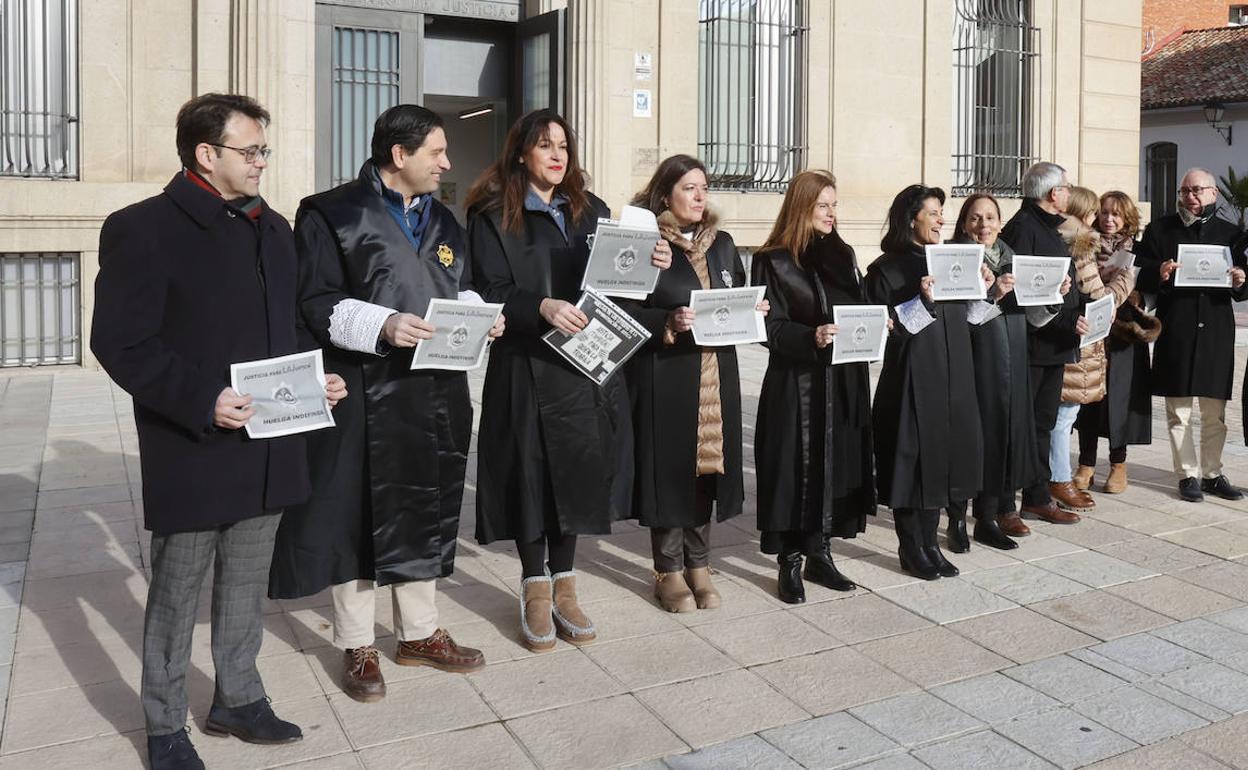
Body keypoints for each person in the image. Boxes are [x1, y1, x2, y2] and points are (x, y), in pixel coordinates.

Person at [91, 93, 347, 770]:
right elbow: (122, 343)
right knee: (177, 590)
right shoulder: (141, 229)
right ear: (206, 155)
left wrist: (312, 380)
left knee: (245, 580)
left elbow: (289, 327)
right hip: (196, 444)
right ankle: (164, 725)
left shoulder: (274, 229)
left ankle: (238, 697)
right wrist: (203, 400)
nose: (262, 160)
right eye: (251, 150)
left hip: (270, 440)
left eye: (264, 149)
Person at [268, 105, 503, 703]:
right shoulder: (331, 214)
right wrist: (382, 324)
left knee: (425, 502)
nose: (448, 163)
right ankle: (356, 642)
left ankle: (419, 633)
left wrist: (481, 318)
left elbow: (460, 285)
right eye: (437, 153)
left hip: (436, 390)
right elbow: (314, 302)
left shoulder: (445, 220)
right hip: (364, 391)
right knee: (356, 513)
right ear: (400, 155)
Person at [465, 110, 671, 649]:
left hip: (584, 367)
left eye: (563, 145)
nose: (557, 155)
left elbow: (620, 286)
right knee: (531, 475)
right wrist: (542, 307)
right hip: (526, 365)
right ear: (520, 154)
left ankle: (566, 585)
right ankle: (535, 588)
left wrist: (655, 261)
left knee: (578, 471)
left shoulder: (592, 211)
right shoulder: (492, 216)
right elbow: (485, 288)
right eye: (544, 145)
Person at [622, 154, 763, 611]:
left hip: (715, 374)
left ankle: (699, 563)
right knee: (670, 470)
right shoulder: (645, 244)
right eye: (689, 188)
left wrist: (754, 311)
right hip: (667, 373)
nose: (700, 196)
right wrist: (667, 319)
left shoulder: (721, 243)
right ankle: (667, 568)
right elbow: (622, 311)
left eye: (704, 188)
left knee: (708, 465)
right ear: (666, 195)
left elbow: (733, 294)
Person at [751, 170, 874, 601]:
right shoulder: (774, 258)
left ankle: (821, 552)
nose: (831, 213)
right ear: (802, 206)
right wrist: (811, 337)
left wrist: (874, 328)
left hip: (842, 380)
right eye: (823, 205)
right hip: (796, 383)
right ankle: (789, 561)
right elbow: (769, 326)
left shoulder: (844, 254)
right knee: (791, 469)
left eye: (835, 205)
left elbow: (857, 309)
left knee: (835, 466)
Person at [865, 184, 992, 580]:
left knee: (943, 460)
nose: (941, 220)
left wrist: (989, 291)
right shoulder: (886, 269)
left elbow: (971, 319)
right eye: (933, 212)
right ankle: (910, 546)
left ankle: (931, 543)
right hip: (911, 380)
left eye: (942, 212)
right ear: (911, 217)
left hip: (954, 375)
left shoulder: (949, 259)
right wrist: (922, 301)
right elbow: (883, 330)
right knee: (912, 463)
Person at [945, 193, 1066, 551]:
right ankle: (965, 518)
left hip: (1013, 353)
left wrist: (1052, 298)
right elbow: (959, 320)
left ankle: (992, 513)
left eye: (991, 218)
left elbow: (1034, 318)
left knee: (1005, 433)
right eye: (975, 218)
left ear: (1000, 222)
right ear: (964, 223)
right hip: (976, 357)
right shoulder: (955, 259)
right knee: (978, 438)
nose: (984, 225)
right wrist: (993, 295)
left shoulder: (1013, 259)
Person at [1136, 168, 1248, 502]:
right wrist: (1160, 272)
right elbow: (1139, 271)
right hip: (1178, 329)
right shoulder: (1159, 229)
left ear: (1214, 193)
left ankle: (1212, 473)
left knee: (1214, 412)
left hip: (1216, 329)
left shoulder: (1233, 234)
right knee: (1179, 410)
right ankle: (1188, 475)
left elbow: (1243, 283)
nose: (1190, 196)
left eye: (1198, 190)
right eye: (1185, 191)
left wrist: (1242, 279)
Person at [1000, 162, 1088, 527]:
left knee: (1042, 424)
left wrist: (1081, 314)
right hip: (1032, 346)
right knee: (1017, 426)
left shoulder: (1047, 227)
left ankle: (1036, 497)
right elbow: (1023, 292)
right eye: (1066, 187)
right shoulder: (1024, 228)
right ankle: (1004, 504)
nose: (1069, 192)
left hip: (1054, 344)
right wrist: (1067, 318)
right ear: (1054, 194)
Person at [1048, 187, 1133, 514]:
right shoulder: (1081, 242)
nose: (1103, 217)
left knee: (1062, 414)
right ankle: (1059, 477)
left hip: (1077, 339)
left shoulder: (1063, 237)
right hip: (1079, 340)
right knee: (1065, 415)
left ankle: (1059, 475)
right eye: (1099, 211)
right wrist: (1122, 282)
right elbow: (1099, 296)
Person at [1073, 191, 1157, 494]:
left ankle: (1119, 464)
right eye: (1104, 212)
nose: (1109, 219)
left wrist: (1138, 293)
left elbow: (1153, 288)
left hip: (1125, 333)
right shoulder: (1085, 245)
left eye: (1116, 214)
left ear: (1128, 219)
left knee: (1121, 398)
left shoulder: (1140, 249)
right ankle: (1086, 464)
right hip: (1093, 331)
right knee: (1090, 397)